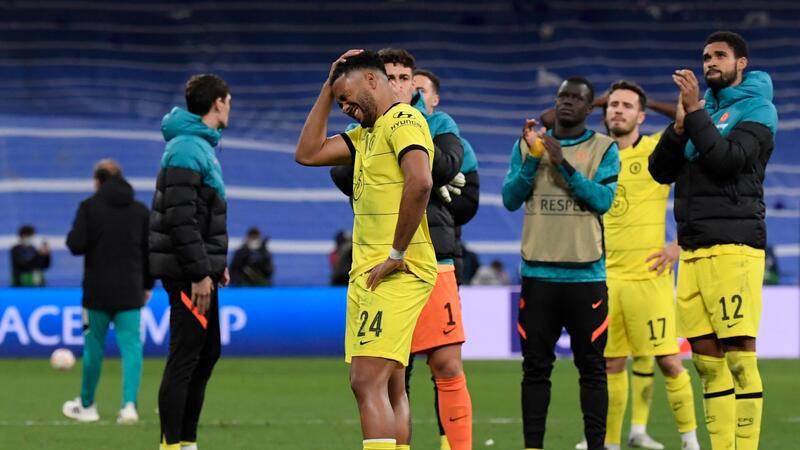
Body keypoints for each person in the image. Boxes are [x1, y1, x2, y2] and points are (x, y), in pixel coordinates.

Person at [330, 51, 475, 450]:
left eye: (404, 77)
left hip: (435, 259)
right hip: (381, 261)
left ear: (416, 86)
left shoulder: (441, 126)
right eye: (389, 75)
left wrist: (417, 161)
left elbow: (459, 185)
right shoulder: (365, 125)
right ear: (376, 80)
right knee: (393, 376)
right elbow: (341, 173)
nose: (396, 83)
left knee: (445, 365)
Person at [295, 49, 437, 450]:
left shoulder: (404, 120)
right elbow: (307, 153)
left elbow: (421, 182)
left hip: (396, 270)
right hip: (368, 271)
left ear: (372, 81)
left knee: (365, 379)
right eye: (338, 101)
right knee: (390, 384)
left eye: (346, 97)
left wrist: (396, 254)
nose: (344, 107)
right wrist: (328, 87)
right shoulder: (365, 135)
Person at [649, 31, 777, 450]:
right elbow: (659, 171)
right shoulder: (701, 112)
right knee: (706, 364)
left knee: (739, 359)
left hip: (734, 247)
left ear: (741, 63)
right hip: (694, 249)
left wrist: (696, 113)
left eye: (720, 55)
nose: (710, 63)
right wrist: (679, 127)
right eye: (706, 57)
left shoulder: (758, 109)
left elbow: (727, 162)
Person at [575, 81, 700, 450]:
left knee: (669, 362)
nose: (618, 110)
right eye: (612, 105)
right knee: (610, 366)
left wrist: (678, 244)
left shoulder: (656, 150)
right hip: (605, 278)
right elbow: (552, 120)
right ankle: (610, 443)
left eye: (627, 106)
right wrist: (598, 101)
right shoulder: (594, 153)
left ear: (641, 116)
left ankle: (690, 442)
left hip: (649, 277)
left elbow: (689, 118)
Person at [502, 77, 620, 450]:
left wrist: (562, 165)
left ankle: (597, 446)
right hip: (538, 276)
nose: (567, 102)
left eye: (576, 98)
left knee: (593, 369)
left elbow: (602, 200)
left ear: (589, 107)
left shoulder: (604, 148)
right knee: (535, 369)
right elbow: (510, 199)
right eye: (562, 96)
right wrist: (532, 159)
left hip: (586, 277)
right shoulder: (527, 145)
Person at [149, 74, 232, 450]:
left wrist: (215, 262)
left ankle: (186, 442)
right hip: (188, 273)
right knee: (186, 356)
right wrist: (200, 271)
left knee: (206, 353)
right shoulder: (186, 148)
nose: (229, 109)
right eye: (228, 102)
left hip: (199, 267)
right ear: (218, 103)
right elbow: (179, 219)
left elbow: (198, 215)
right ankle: (172, 444)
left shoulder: (197, 146)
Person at [61, 159, 152, 424]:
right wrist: (147, 284)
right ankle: (129, 406)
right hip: (131, 291)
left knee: (93, 349)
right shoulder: (140, 210)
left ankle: (87, 405)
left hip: (96, 292)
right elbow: (149, 251)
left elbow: (76, 245)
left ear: (98, 180)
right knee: (132, 348)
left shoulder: (89, 207)